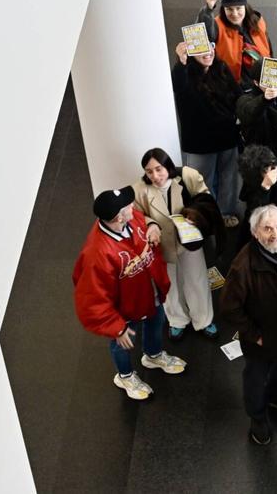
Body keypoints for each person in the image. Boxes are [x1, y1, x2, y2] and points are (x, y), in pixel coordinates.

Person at [73, 188, 186, 400]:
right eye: (128, 206)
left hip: (147, 294)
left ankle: (153, 355)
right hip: (123, 309)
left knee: (156, 321)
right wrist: (116, 327)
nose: (133, 207)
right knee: (122, 343)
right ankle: (125, 376)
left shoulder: (129, 217)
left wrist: (152, 225)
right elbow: (92, 298)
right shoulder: (97, 254)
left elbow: (142, 218)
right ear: (118, 217)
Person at [220, 205, 277, 446]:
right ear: (255, 233)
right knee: (256, 378)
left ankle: (276, 396)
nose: (275, 234)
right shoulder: (243, 265)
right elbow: (229, 307)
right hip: (263, 337)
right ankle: (257, 417)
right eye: (267, 229)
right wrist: (254, 335)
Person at [131, 148, 218, 340]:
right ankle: (177, 320)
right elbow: (137, 216)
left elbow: (205, 199)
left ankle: (203, 320)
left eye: (159, 169)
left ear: (167, 166)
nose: (155, 175)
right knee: (169, 286)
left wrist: (197, 215)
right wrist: (151, 224)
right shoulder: (139, 190)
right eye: (149, 171)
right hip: (162, 244)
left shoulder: (187, 176)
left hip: (189, 240)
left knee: (197, 279)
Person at [171, 40, 243, 227]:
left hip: (227, 137)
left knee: (229, 179)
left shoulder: (221, 68)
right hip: (199, 142)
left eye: (210, 46)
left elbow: (238, 96)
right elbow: (178, 85)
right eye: (201, 48)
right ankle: (207, 216)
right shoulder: (184, 73)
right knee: (201, 183)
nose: (208, 52)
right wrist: (181, 60)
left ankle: (226, 213)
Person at [198, 0, 273, 83]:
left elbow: (269, 50)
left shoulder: (258, 22)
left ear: (245, 7)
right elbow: (204, 37)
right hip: (231, 85)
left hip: (262, 81)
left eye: (238, 8)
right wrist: (208, 9)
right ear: (223, 9)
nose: (235, 14)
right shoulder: (217, 25)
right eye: (229, 9)